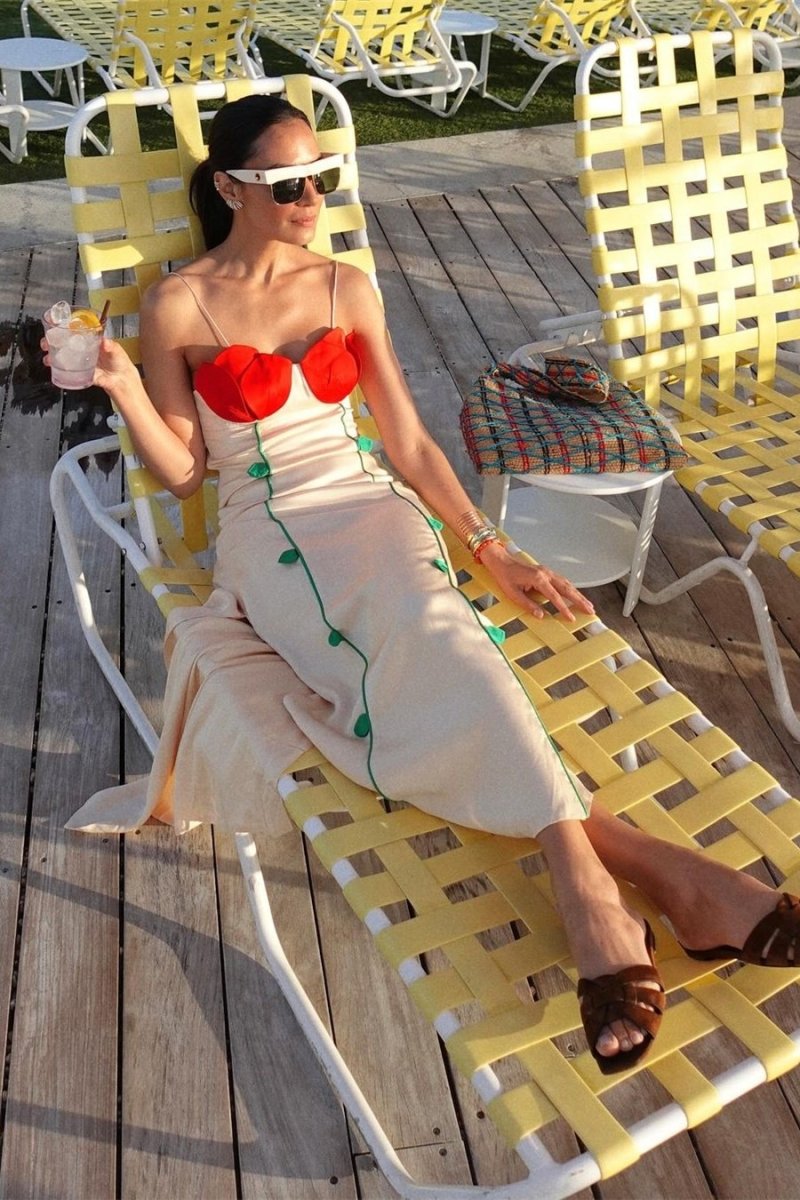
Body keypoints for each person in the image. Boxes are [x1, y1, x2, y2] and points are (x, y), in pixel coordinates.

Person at [55, 94, 800, 1076]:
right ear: (230, 188)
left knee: (438, 626)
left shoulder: (344, 286)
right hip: (272, 538)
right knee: (429, 647)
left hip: (372, 508)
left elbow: (404, 441)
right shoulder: (178, 305)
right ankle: (637, 877)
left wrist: (488, 545)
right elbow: (188, 472)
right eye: (287, 184)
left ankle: (609, 884)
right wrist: (120, 384)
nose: (312, 199)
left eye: (322, 178)